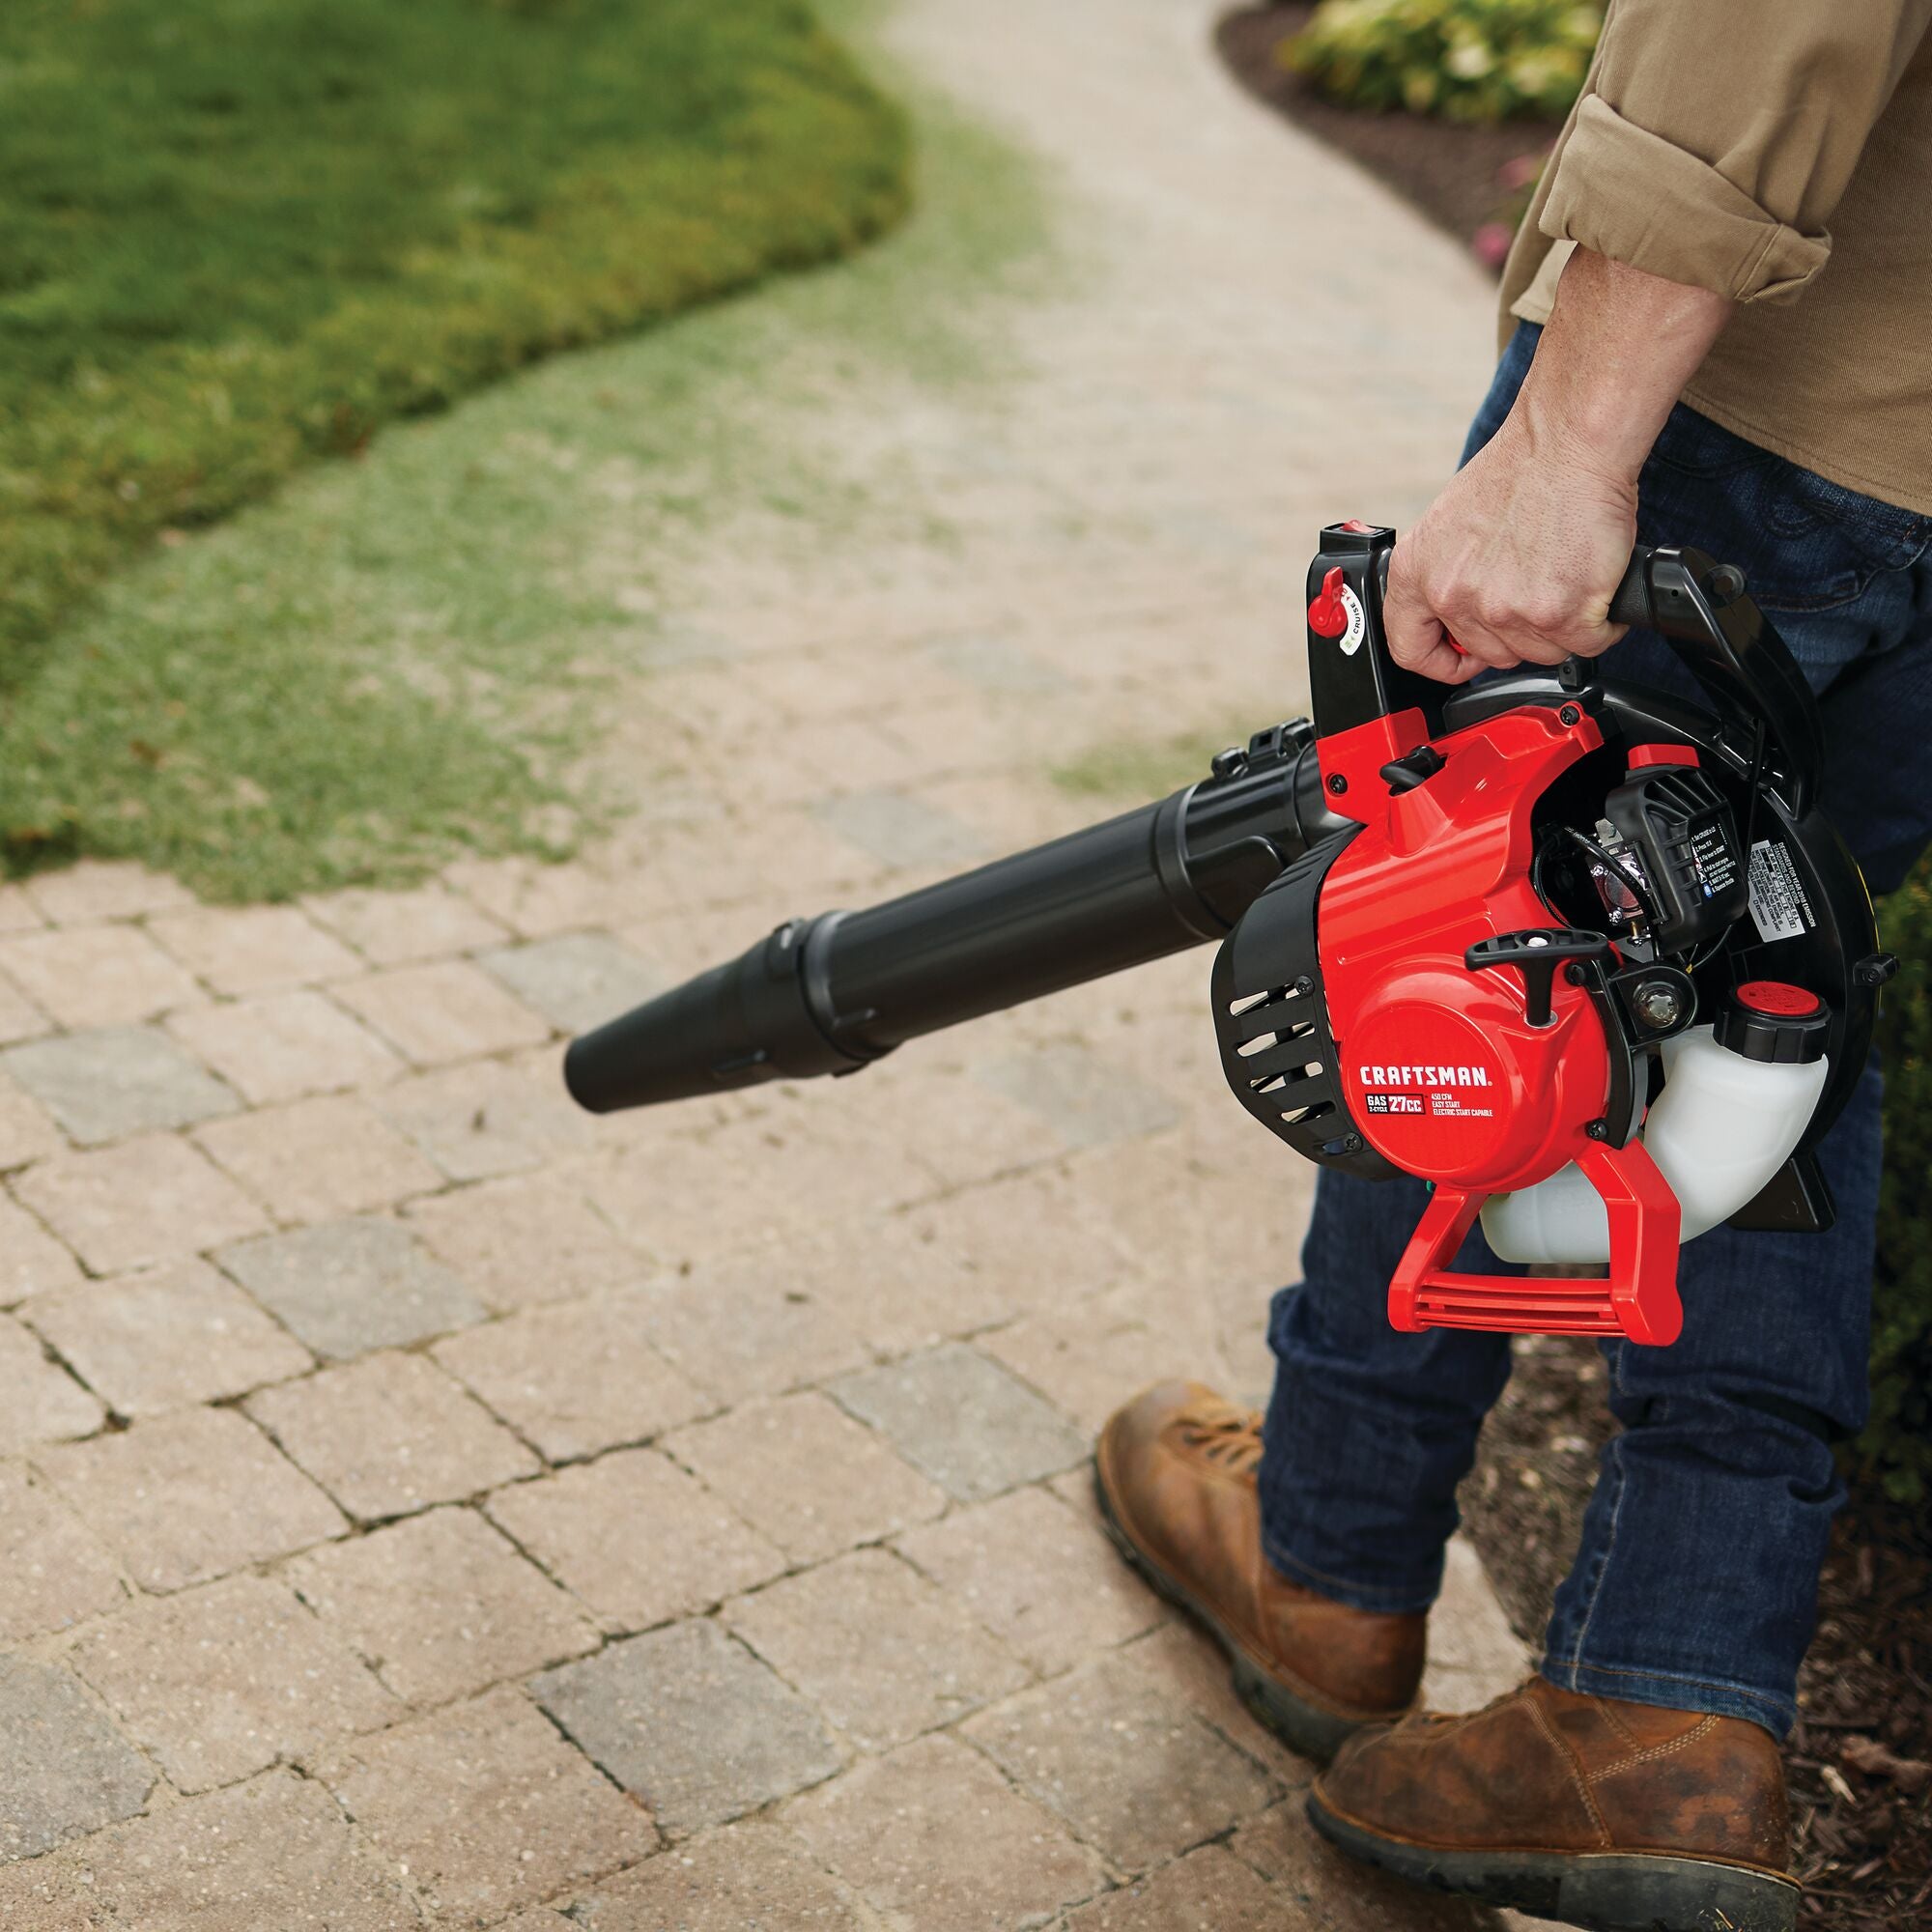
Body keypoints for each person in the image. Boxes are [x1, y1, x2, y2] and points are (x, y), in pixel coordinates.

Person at [1096, 9, 1932, 1930]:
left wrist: (1571, 442)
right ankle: (1671, 1700)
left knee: (1478, 931)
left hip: (1774, 414)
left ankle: (1333, 1570)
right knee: (1765, 992)